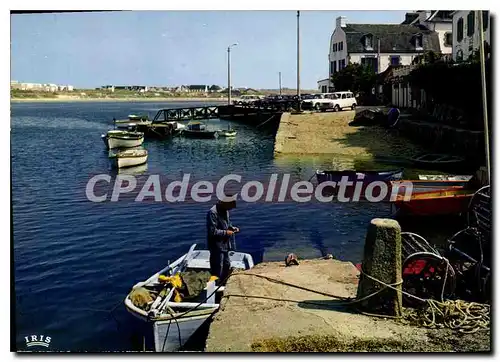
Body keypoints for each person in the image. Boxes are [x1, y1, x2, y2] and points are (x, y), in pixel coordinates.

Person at [206, 197, 240, 283]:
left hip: (225, 244)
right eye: (229, 207)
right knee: (217, 267)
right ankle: (215, 285)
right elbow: (212, 231)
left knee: (226, 264)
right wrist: (226, 232)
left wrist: (232, 228)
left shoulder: (225, 210)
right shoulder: (212, 213)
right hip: (216, 246)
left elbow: (227, 223)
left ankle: (224, 283)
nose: (230, 210)